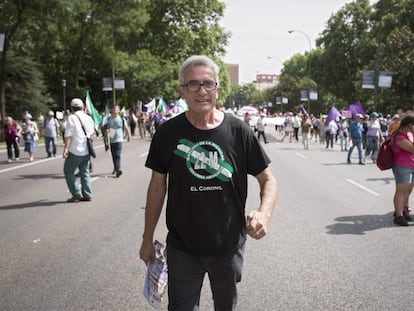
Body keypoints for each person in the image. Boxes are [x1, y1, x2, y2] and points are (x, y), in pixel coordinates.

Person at [139, 55, 278, 311]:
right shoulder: (167, 133)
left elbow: (267, 179)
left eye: (208, 84)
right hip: (182, 247)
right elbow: (157, 187)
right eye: (192, 84)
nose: (201, 91)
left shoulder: (239, 132)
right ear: (182, 91)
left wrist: (264, 213)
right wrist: (147, 238)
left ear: (218, 89)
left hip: (227, 246)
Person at [63, 98, 95, 202]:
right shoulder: (88, 117)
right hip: (86, 149)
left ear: (72, 108)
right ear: (82, 107)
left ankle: (76, 193)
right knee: (84, 171)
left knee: (68, 171)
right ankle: (87, 194)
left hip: (75, 149)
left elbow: (68, 135)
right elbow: (92, 133)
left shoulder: (72, 118)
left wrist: (65, 149)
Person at [391, 115, 414, 226]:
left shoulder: (408, 134)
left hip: (412, 165)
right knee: (401, 191)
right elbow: (412, 148)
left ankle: (404, 210)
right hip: (403, 166)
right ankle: (398, 215)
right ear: (410, 125)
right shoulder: (399, 137)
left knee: (408, 190)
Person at [103, 105, 131, 177]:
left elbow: (126, 128)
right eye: (114, 109)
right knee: (113, 155)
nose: (115, 111)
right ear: (111, 110)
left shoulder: (121, 119)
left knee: (117, 155)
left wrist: (129, 136)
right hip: (111, 139)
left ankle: (118, 169)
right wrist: (106, 131)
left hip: (119, 139)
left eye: (116, 109)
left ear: (119, 110)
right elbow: (104, 127)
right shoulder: (108, 119)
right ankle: (115, 168)